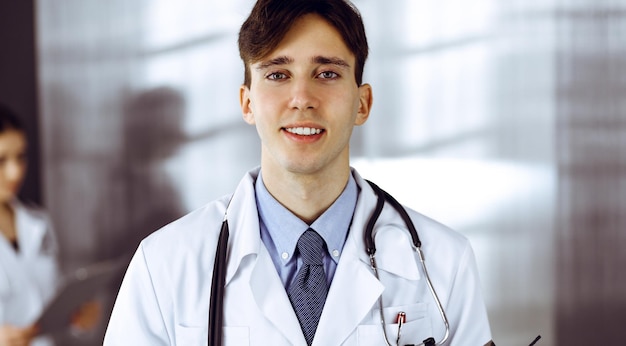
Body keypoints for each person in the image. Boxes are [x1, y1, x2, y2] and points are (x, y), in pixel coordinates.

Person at [104, 0, 494, 345]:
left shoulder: (444, 262)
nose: (302, 99)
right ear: (248, 103)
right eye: (277, 74)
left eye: (326, 73)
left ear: (363, 103)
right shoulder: (164, 266)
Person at [0, 103, 100, 346]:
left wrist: (76, 316)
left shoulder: (39, 222)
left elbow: (49, 301)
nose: (14, 173)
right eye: (1, 160)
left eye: (20, 157)